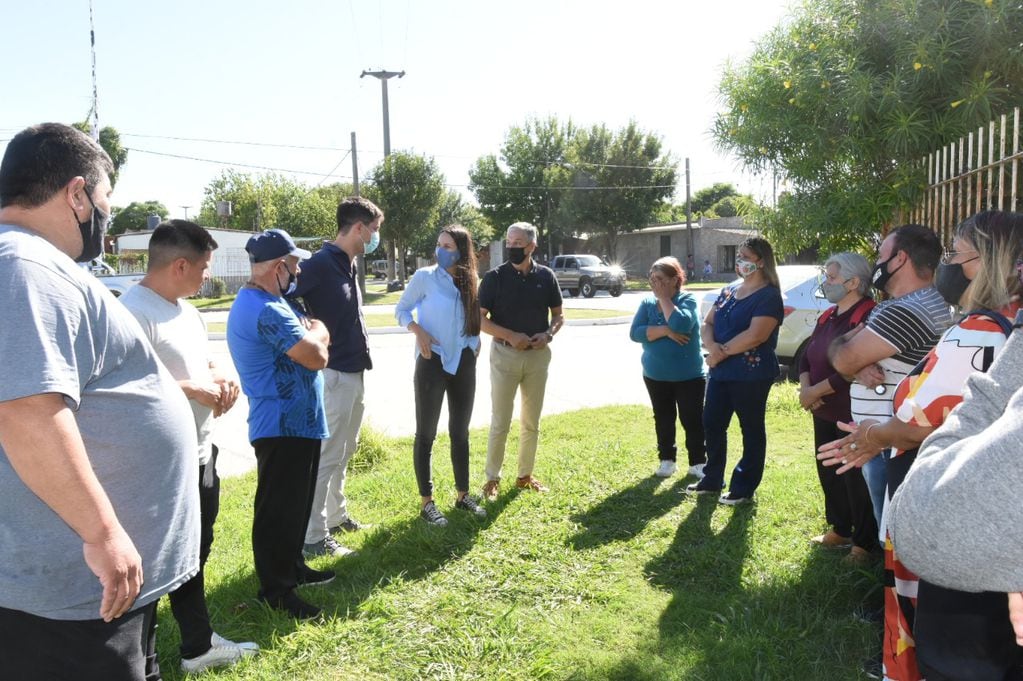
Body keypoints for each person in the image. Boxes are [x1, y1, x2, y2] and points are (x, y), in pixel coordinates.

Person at [0, 123, 199, 680]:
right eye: (106, 198)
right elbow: (26, 411)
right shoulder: (24, 266)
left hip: (95, 592)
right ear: (77, 193)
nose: (106, 215)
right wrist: (103, 533)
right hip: (73, 597)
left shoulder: (32, 264)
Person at [820, 212, 1023, 681]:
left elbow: (922, 422)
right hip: (984, 508)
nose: (949, 265)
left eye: (957, 253)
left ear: (988, 260)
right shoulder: (1002, 324)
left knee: (931, 627)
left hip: (942, 494)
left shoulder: (978, 331)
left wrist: (873, 435)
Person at [119, 220, 258, 673]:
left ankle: (197, 646)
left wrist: (221, 377)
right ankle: (141, 659)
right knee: (152, 564)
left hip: (200, 453)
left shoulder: (187, 310)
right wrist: (192, 389)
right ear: (180, 265)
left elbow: (205, 361)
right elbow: (123, 394)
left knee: (193, 553)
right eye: (204, 267)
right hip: (154, 468)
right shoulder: (130, 313)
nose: (207, 276)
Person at [227, 229, 332, 620]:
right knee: (278, 509)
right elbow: (315, 355)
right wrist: (320, 330)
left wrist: (313, 332)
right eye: (294, 263)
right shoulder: (266, 309)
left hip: (298, 422)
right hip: (281, 424)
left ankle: (293, 569)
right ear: (277, 267)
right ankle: (277, 590)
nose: (299, 269)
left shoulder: (271, 300)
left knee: (296, 504)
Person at [827, 223, 952, 533]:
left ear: (900, 258)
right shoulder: (914, 303)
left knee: (895, 535)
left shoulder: (906, 310)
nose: (877, 263)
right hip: (889, 437)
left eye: (881, 255)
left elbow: (842, 357)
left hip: (889, 442)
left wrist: (848, 353)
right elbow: (847, 361)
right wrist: (853, 361)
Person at [292, 197, 383, 557]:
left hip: (354, 370)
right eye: (374, 231)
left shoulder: (349, 264)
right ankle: (313, 537)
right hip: (332, 376)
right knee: (327, 455)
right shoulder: (318, 265)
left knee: (346, 450)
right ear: (358, 228)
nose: (375, 238)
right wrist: (308, 333)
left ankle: (335, 516)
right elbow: (284, 298)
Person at [394, 225, 486, 526]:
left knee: (460, 432)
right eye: (439, 245)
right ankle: (427, 502)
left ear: (461, 250)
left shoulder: (471, 279)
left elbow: (475, 318)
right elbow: (402, 310)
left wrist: (473, 345)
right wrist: (417, 329)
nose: (440, 251)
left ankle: (462, 496)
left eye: (447, 246)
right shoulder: (424, 278)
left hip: (463, 362)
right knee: (426, 434)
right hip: (431, 361)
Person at [687, 237, 784, 505]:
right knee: (712, 423)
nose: (739, 262)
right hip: (721, 371)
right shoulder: (729, 291)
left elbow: (756, 336)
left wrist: (719, 352)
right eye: (738, 256)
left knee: (750, 429)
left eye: (745, 257)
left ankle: (743, 487)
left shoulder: (769, 296)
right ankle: (712, 478)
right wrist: (711, 346)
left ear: (761, 262)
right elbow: (708, 322)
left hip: (751, 374)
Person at [797, 253, 878, 560]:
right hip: (822, 409)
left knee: (855, 476)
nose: (825, 282)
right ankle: (841, 529)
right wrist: (807, 390)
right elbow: (807, 356)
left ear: (854, 282)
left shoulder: (868, 315)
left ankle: (863, 542)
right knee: (829, 469)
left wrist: (816, 390)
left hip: (850, 412)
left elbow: (854, 366)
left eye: (831, 277)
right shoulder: (828, 314)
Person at [479, 222, 564, 500]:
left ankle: (524, 476)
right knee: (500, 420)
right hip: (504, 355)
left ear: (532, 246)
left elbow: (558, 315)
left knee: (531, 421)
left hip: (537, 357)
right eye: (509, 242)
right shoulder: (494, 278)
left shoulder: (546, 276)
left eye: (518, 243)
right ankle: (492, 479)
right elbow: (479, 319)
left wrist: (548, 334)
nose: (512, 247)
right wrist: (510, 335)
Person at [629, 256, 707, 479]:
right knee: (663, 417)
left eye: (660, 279)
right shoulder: (646, 304)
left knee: (692, 418)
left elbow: (681, 323)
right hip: (655, 374)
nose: (655, 284)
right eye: (652, 279)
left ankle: (698, 462)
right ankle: (667, 460)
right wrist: (665, 331)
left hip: (688, 375)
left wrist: (664, 299)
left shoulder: (687, 300)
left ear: (675, 280)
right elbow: (635, 333)